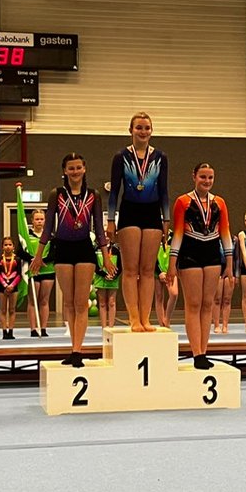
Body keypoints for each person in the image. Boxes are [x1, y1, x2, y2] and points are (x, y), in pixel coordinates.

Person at [30, 153, 116, 367]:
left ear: (84, 169)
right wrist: (39, 255)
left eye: (78, 167)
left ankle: (78, 350)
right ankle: (73, 347)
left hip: (84, 249)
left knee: (81, 302)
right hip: (63, 248)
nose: (75, 171)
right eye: (71, 168)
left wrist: (106, 257)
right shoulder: (57, 194)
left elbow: (99, 228)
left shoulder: (94, 195)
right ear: (65, 171)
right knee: (68, 301)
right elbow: (48, 227)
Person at [107, 112, 170, 332]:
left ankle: (145, 318)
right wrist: (111, 220)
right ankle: (133, 317)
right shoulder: (121, 156)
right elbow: (114, 191)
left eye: (147, 128)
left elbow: (164, 191)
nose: (143, 132)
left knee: (148, 269)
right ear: (131, 130)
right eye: (139, 127)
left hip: (152, 212)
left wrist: (166, 219)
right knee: (131, 269)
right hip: (129, 212)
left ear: (151, 131)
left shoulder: (160, 157)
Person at [167, 162, 233, 370]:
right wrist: (171, 264)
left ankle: (204, 351)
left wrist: (230, 264)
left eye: (210, 177)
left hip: (212, 254)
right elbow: (177, 234)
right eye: (203, 177)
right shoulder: (183, 202)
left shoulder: (219, 203)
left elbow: (225, 233)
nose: (207, 181)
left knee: (207, 303)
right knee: (193, 304)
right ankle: (196, 353)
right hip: (190, 253)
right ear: (194, 176)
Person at [18, 209, 55, 337]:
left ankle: (43, 328)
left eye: (42, 219)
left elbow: (54, 253)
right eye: (37, 219)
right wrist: (33, 260)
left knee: (44, 300)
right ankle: (33, 329)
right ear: (32, 221)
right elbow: (20, 251)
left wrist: (42, 261)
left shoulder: (50, 236)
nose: (39, 221)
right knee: (33, 300)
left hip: (48, 269)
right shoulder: (26, 235)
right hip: (32, 270)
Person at [212, 235, 239, 334]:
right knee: (217, 299)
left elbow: (237, 259)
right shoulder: (214, 238)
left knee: (227, 299)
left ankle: (225, 325)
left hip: (230, 271)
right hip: (217, 270)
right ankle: (216, 325)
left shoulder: (234, 240)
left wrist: (237, 275)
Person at [93, 234, 122, 328]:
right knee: (102, 303)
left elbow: (120, 266)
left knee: (112, 302)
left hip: (113, 278)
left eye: (107, 233)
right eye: (103, 233)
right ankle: (104, 327)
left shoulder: (116, 249)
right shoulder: (96, 249)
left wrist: (114, 275)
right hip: (100, 278)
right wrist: (104, 275)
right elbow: (95, 265)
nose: (105, 235)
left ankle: (111, 327)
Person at [0, 236, 22, 340]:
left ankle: (11, 331)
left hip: (13, 286)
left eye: (10, 245)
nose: (8, 247)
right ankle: (4, 331)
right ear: (2, 247)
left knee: (12, 309)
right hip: (2, 286)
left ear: (13, 247)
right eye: (5, 245)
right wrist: (4, 285)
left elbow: (19, 274)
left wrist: (12, 285)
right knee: (3, 310)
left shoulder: (17, 259)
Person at [154, 230, 178, 328]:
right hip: (157, 271)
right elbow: (151, 256)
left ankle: (167, 319)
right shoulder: (155, 235)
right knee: (159, 296)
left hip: (171, 271)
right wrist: (159, 272)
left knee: (174, 293)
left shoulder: (173, 236)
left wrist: (172, 270)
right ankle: (162, 324)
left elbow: (177, 253)